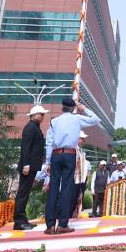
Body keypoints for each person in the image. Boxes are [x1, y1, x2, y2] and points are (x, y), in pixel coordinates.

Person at [43, 97, 99, 234]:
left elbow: (49, 142)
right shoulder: (77, 119)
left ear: (62, 108)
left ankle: (50, 225)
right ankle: (62, 224)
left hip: (56, 155)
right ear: (73, 108)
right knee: (67, 188)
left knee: (53, 188)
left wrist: (48, 162)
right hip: (69, 155)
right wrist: (83, 108)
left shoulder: (54, 121)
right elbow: (96, 119)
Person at [13, 104, 48, 230]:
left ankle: (22, 220)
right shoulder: (30, 127)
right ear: (34, 115)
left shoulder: (35, 127)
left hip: (32, 166)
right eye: (41, 114)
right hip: (28, 166)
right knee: (23, 193)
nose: (43, 116)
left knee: (25, 193)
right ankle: (19, 222)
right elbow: (25, 148)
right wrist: (26, 164)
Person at [70, 131, 91, 219]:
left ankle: (71, 218)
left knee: (76, 199)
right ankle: (67, 218)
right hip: (74, 179)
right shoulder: (73, 149)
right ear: (77, 139)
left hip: (80, 179)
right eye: (82, 138)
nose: (84, 140)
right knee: (72, 200)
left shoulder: (80, 150)